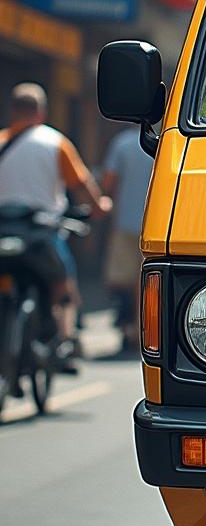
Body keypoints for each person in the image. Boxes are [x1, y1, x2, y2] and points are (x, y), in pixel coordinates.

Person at [0, 84, 111, 372]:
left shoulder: (1, 141)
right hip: (41, 233)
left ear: (13, 110)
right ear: (42, 111)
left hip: (2, 230)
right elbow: (82, 184)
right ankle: (64, 340)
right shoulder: (55, 143)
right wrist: (99, 206)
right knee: (63, 282)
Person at [100, 128, 153, 354]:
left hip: (125, 223)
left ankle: (127, 327)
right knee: (146, 281)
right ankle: (143, 330)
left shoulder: (122, 143)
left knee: (121, 279)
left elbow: (108, 182)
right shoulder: (166, 142)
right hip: (155, 224)